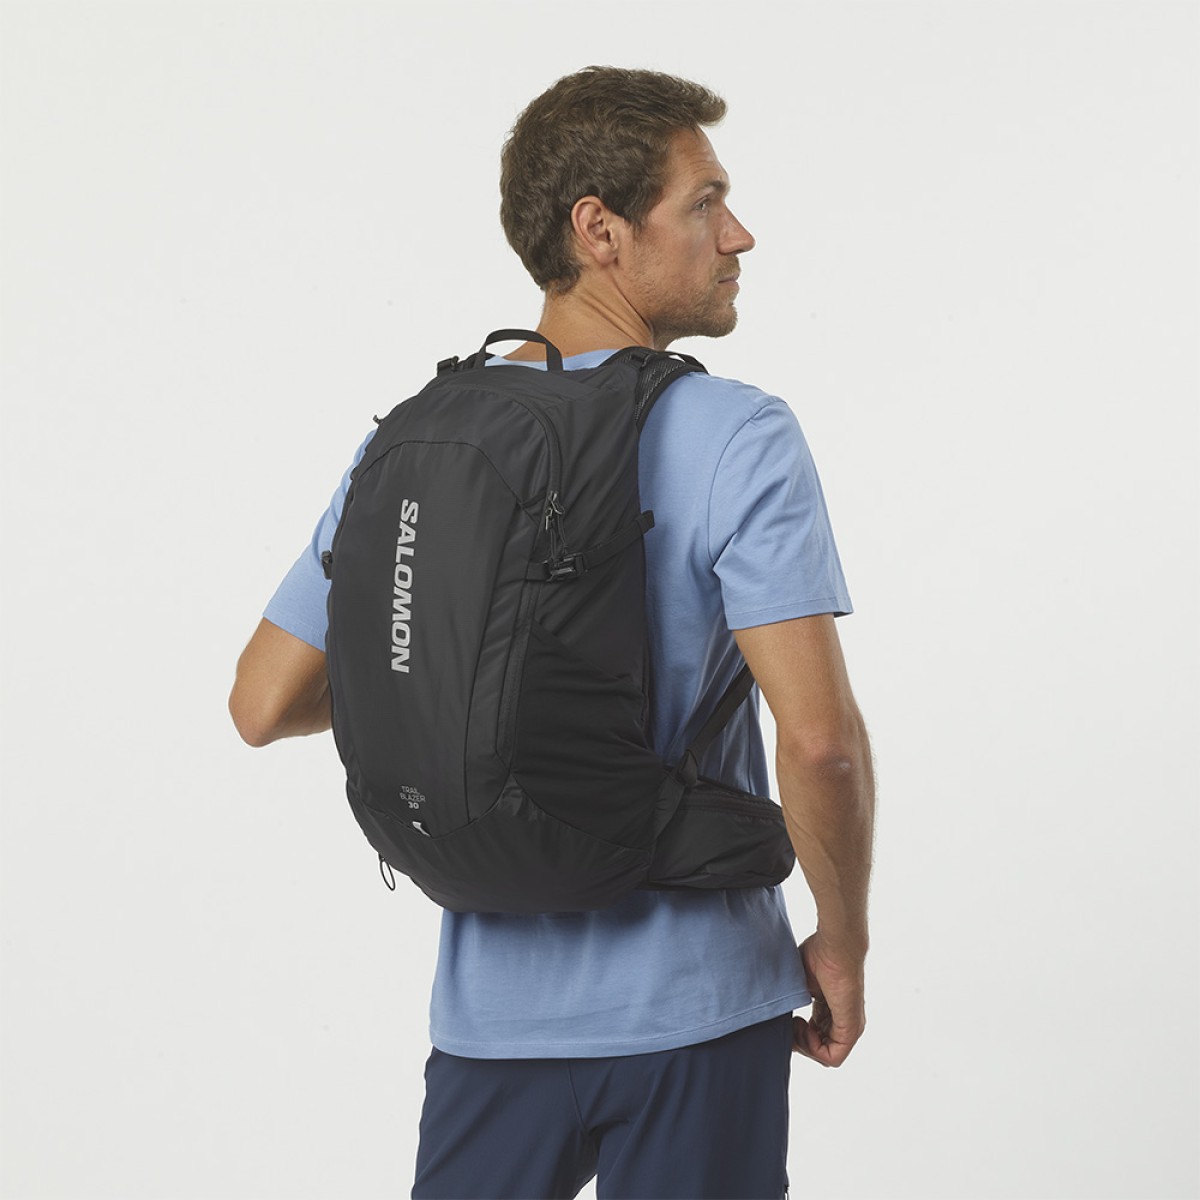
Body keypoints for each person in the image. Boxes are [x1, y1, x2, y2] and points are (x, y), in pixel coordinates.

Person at [230, 66, 875, 1200]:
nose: (739, 234)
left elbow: (262, 701)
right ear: (600, 229)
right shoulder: (738, 433)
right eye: (705, 203)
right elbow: (818, 745)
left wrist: (461, 675)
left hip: (490, 1029)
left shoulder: (417, 438)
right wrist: (843, 939)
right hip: (698, 1009)